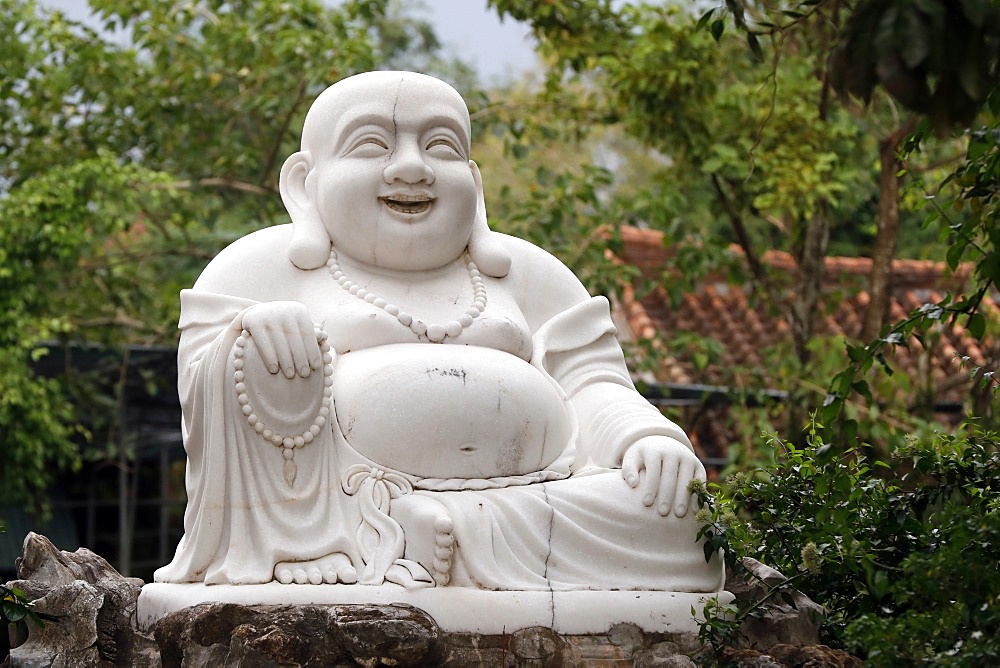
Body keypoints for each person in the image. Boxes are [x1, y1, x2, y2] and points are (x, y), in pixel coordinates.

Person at [154, 71, 724, 593]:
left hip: (544, 499)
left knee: (680, 521)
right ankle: (352, 535)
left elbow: (595, 384)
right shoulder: (257, 268)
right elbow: (205, 414)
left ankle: (423, 533)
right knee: (257, 354)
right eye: (373, 144)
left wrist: (645, 438)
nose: (412, 168)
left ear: (473, 180)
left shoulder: (534, 276)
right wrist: (249, 339)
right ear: (305, 183)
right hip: (328, 507)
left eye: (441, 147)